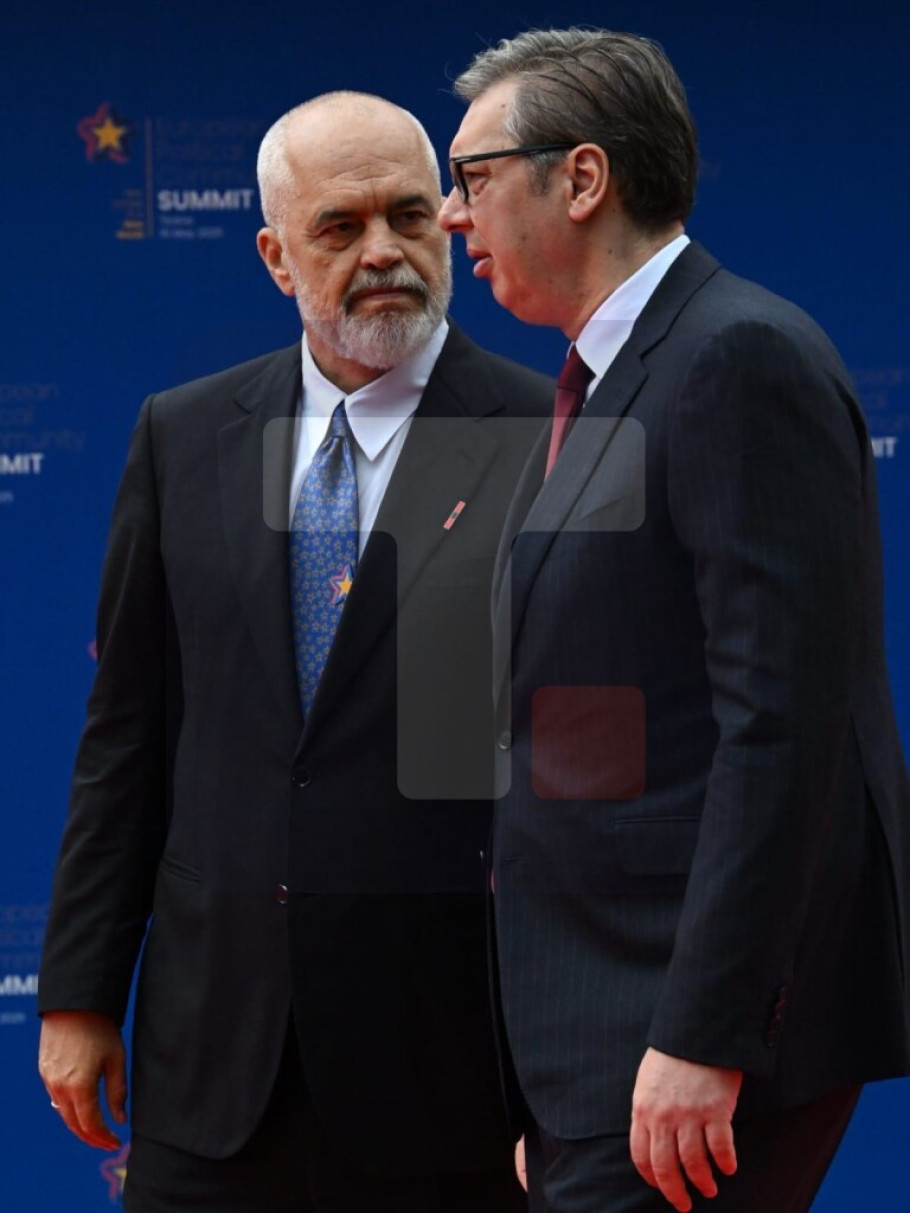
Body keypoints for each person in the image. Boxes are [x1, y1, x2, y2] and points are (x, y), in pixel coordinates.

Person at [37, 91, 552, 1213]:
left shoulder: (550, 440)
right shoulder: (181, 435)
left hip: (454, 1075)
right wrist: (78, 990)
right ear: (277, 257)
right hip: (212, 1066)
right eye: (340, 227)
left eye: (409, 215)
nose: (384, 252)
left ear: (450, 221)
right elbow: (126, 735)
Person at [438, 28, 910, 1213]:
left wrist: (705, 1031)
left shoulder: (735, 357)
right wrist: (548, 1092)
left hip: (686, 1037)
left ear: (582, 178)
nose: (451, 215)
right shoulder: (614, 378)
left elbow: (783, 727)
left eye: (473, 177)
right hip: (598, 1039)